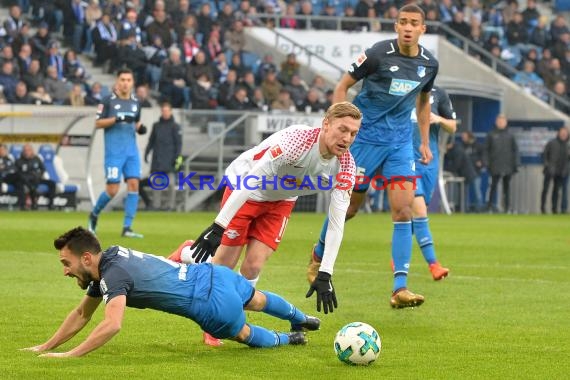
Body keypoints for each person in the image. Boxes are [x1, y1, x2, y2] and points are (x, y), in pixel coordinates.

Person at [168, 101, 361, 345]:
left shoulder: (346, 166)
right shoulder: (296, 142)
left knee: (254, 265)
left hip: (280, 200)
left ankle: (224, 317)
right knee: (224, 265)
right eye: (342, 129)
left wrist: (325, 272)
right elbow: (251, 180)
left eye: (353, 133)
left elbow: (336, 223)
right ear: (325, 124)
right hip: (246, 188)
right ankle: (187, 253)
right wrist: (219, 226)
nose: (347, 138)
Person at [307, 4, 438, 309]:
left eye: (414, 23)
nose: (408, 27)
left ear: (422, 29)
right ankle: (317, 257)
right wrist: (339, 128)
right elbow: (343, 86)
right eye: (403, 22)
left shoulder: (429, 65)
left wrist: (424, 142)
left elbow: (423, 102)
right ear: (396, 26)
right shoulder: (378, 53)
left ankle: (399, 288)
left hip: (399, 144)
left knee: (404, 211)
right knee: (350, 207)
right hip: (364, 140)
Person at [20, 227, 318, 358]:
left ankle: (289, 338)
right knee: (258, 299)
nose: (64, 271)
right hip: (214, 274)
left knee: (242, 333)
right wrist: (46, 346)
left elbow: (112, 324)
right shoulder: (111, 257)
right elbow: (81, 313)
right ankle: (301, 317)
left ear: (86, 259)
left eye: (66, 263)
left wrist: (70, 355)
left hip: (209, 305)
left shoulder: (113, 276)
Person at [405, 85, 457, 280]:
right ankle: (434, 265)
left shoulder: (438, 93)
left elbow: (452, 127)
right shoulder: (401, 88)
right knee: (420, 210)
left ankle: (399, 253)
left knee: (416, 213)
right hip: (405, 159)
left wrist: (439, 119)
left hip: (428, 162)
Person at [88, 68, 147, 238]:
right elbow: (97, 123)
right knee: (112, 189)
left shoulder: (136, 102)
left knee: (134, 184)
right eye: (122, 79)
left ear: (132, 83)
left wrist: (140, 128)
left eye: (128, 80)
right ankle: (94, 214)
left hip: (131, 152)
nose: (125, 83)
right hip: (114, 152)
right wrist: (116, 119)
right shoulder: (107, 101)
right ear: (117, 81)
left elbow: (135, 122)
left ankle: (127, 227)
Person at [140, 102, 182, 211]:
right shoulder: (156, 126)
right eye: (163, 111)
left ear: (171, 112)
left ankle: (170, 206)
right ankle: (156, 205)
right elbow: (151, 141)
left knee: (171, 185)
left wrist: (176, 158)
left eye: (167, 111)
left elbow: (178, 144)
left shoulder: (175, 126)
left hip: (170, 160)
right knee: (156, 185)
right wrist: (147, 152)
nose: (165, 113)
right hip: (157, 159)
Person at [484, 114, 519, 213]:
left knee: (506, 188)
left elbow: (515, 150)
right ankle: (489, 206)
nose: (501, 123)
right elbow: (485, 150)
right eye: (499, 121)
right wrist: (486, 163)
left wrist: (516, 164)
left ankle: (507, 208)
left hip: (508, 166)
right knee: (493, 186)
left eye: (503, 121)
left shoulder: (510, 136)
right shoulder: (491, 135)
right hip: (494, 165)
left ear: (506, 122)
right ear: (496, 122)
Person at [15, 143, 56, 210]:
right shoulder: (19, 161)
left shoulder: (36, 159)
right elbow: (17, 173)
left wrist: (38, 175)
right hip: (25, 180)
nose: (26, 152)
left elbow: (43, 169)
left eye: (28, 150)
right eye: (25, 150)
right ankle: (27, 205)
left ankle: (51, 204)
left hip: (37, 179)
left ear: (32, 151)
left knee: (52, 183)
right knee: (26, 185)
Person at [540, 126, 569, 214]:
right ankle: (542, 208)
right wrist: (547, 165)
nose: (563, 134)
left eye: (565, 133)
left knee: (556, 191)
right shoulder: (551, 143)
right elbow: (544, 155)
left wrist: (565, 170)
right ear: (558, 133)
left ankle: (554, 209)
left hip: (560, 172)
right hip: (549, 171)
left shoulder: (567, 146)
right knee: (545, 190)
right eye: (562, 132)